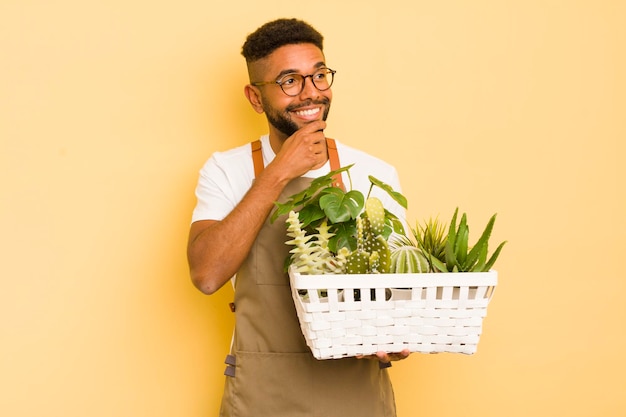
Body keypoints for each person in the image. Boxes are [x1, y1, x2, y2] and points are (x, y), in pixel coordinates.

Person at [187, 18, 410, 417]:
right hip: (262, 397)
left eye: (319, 75)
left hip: (355, 397)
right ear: (256, 98)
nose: (310, 93)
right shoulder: (225, 170)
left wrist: (395, 335)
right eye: (289, 80)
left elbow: (398, 293)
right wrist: (278, 172)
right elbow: (207, 274)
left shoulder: (374, 174)